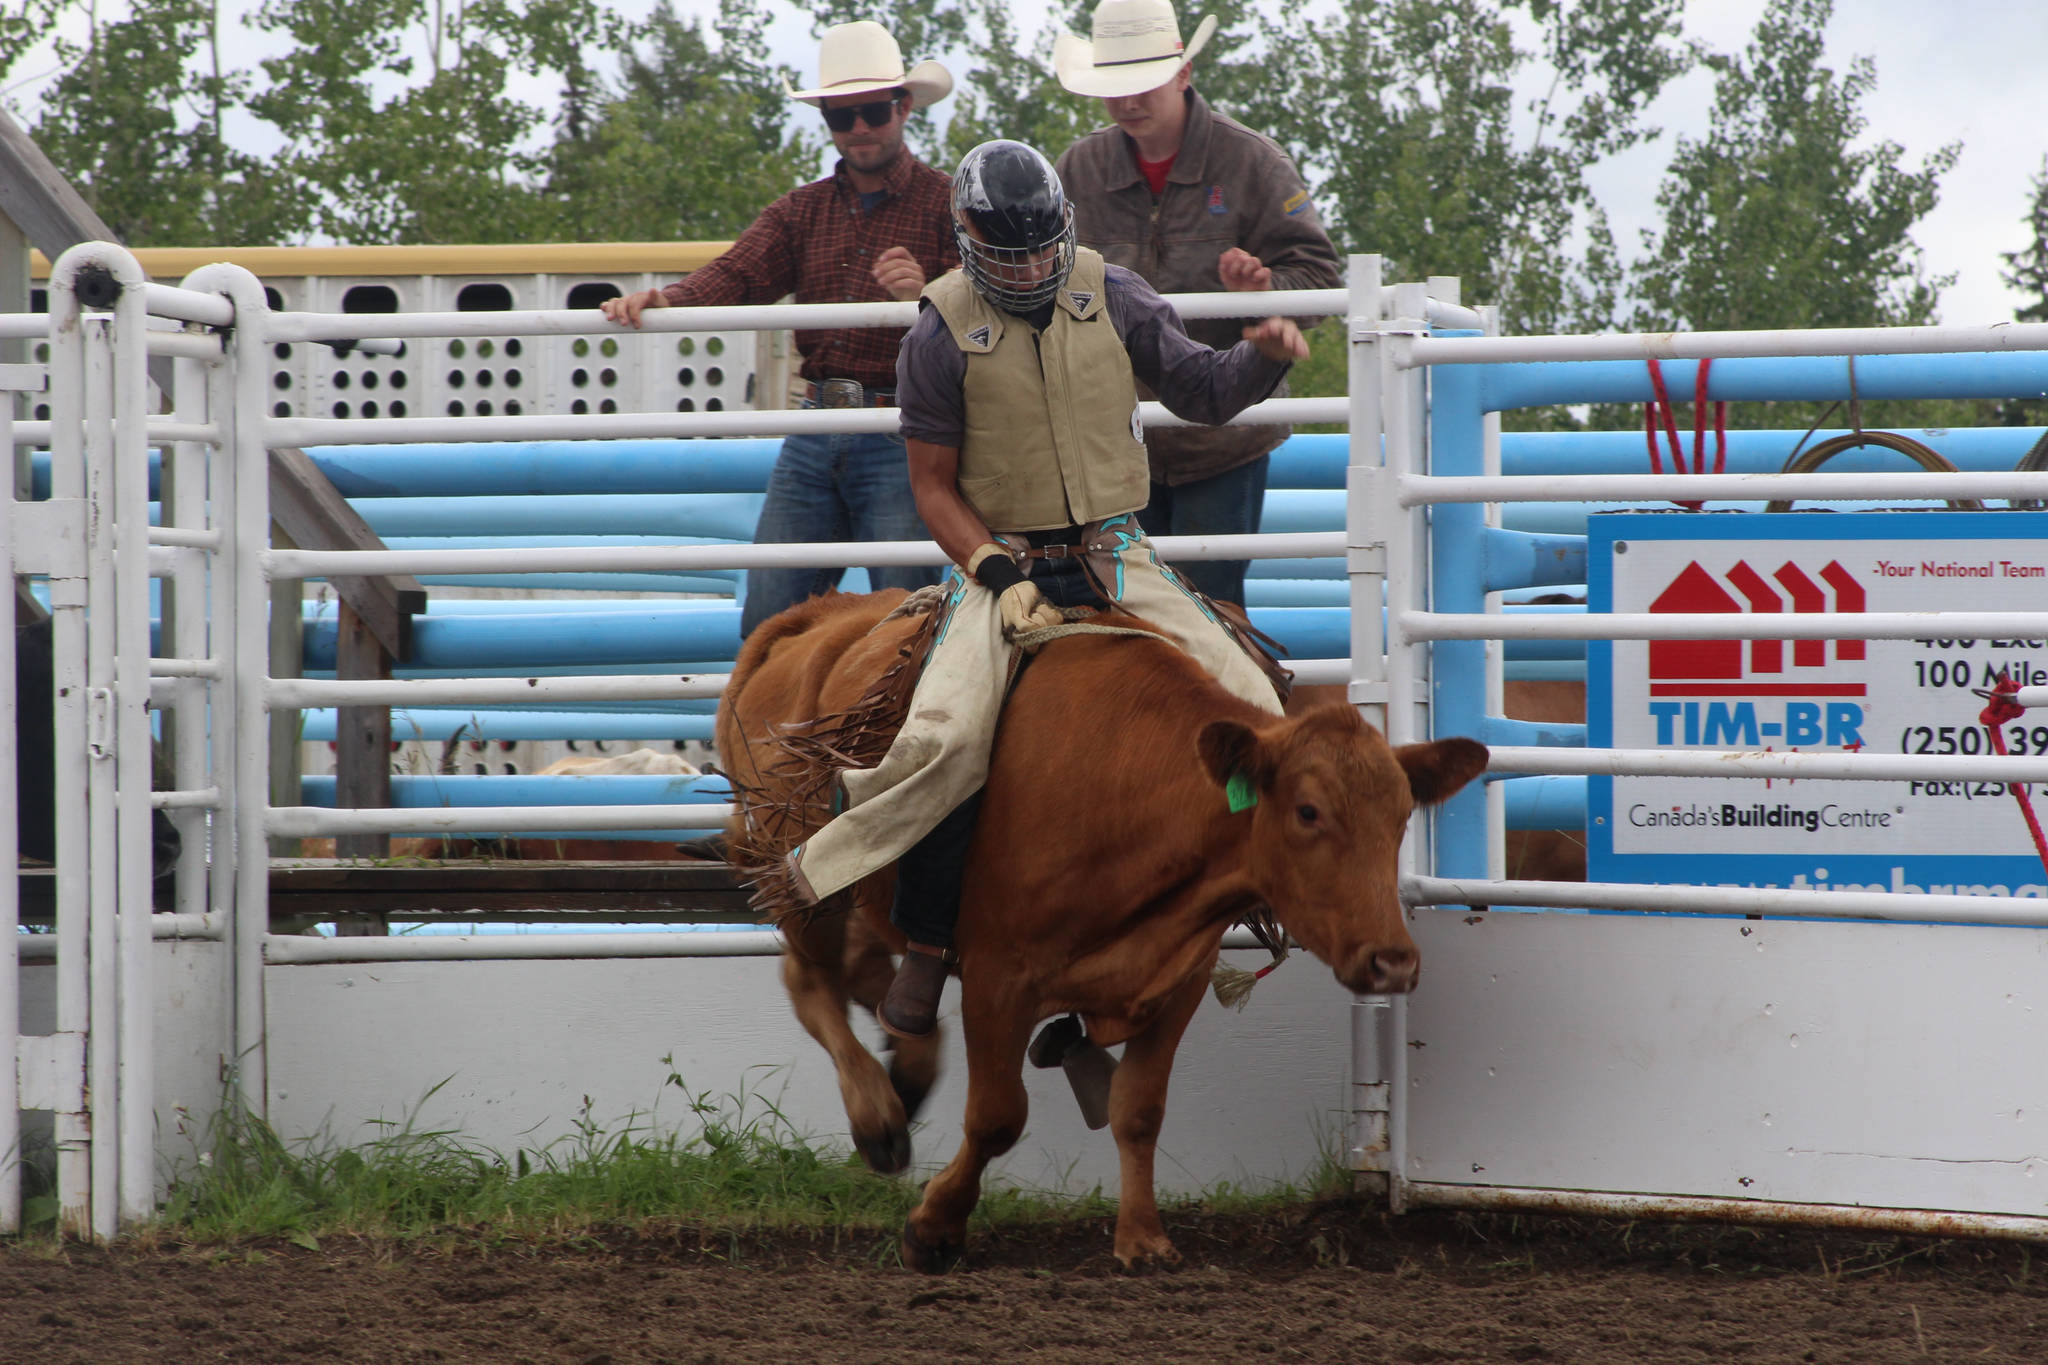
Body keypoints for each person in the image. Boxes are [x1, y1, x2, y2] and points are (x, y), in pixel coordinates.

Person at [763, 140, 1308, 1039]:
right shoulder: (938, 330)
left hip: (1118, 554)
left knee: (1254, 706)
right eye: (1009, 252)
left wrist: (1261, 355)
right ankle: (925, 939)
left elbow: (1204, 394)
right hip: (1000, 560)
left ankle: (1242, 900)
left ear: (1065, 228)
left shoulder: (1116, 293)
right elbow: (932, 486)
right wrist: (995, 574)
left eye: (1043, 246)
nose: (1030, 266)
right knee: (948, 736)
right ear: (968, 237)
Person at [602, 21, 956, 638]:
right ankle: (769, 735)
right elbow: (737, 275)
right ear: (827, 121)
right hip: (820, 424)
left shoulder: (947, 204)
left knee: (911, 627)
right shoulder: (800, 211)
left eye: (872, 110)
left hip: (902, 425)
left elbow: (984, 316)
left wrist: (925, 296)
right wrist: (665, 299)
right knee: (770, 621)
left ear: (902, 109)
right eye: (842, 117)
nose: (859, 128)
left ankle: (898, 735)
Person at [1053, 0, 1340, 607]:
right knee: (1129, 615)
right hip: (1116, 444)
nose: (1129, 101)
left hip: (1222, 437)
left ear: (1183, 74)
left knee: (1205, 607)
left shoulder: (1254, 162)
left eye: (1142, 84)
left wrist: (1265, 295)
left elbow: (1319, 277)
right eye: (1116, 87)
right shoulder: (1078, 169)